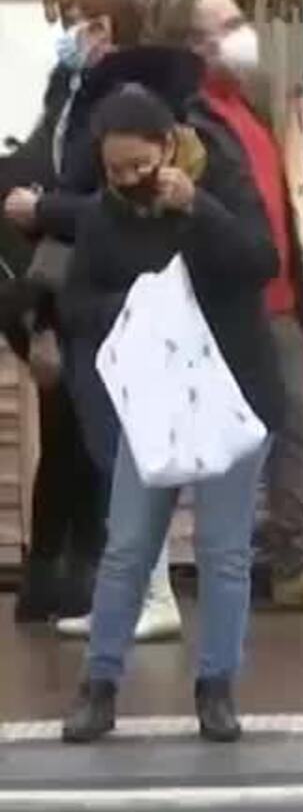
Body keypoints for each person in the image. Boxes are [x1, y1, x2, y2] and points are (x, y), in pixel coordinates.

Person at [59, 81, 284, 744]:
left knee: (223, 550)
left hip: (230, 390)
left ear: (169, 146)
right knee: (127, 544)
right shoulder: (104, 216)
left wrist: (201, 210)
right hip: (155, 399)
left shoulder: (222, 182)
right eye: (115, 170)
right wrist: (135, 304)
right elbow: (77, 303)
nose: (129, 180)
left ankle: (216, 685)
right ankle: (99, 683)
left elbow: (260, 261)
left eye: (140, 166)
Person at [158, 0, 303, 612]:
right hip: (228, 303)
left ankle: (292, 557)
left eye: (238, 20)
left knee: (298, 427)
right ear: (192, 43)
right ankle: (263, 561)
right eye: (224, 26)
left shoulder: (246, 109)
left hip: (278, 299)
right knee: (240, 438)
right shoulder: (189, 118)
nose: (241, 34)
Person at [5, 0, 186, 646]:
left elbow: (112, 195)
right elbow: (57, 162)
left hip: (124, 295)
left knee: (128, 454)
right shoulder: (78, 94)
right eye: (76, 22)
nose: (82, 33)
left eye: (96, 23)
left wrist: (45, 209)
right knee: (110, 455)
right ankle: (132, 590)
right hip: (86, 295)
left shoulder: (131, 101)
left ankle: (151, 592)